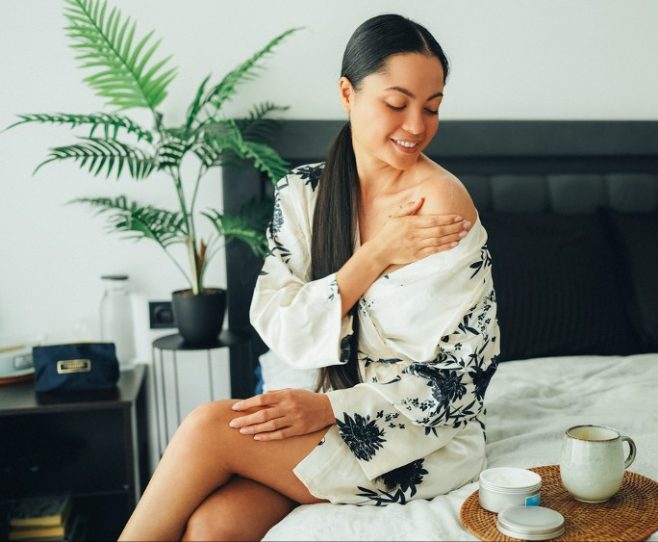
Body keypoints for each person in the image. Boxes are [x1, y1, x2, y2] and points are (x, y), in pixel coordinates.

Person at [119, 13, 500, 541]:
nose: (416, 125)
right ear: (348, 93)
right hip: (315, 413)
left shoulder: (440, 202)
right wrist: (375, 255)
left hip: (415, 438)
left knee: (208, 428)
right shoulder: (301, 193)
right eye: (397, 103)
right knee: (212, 527)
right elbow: (280, 325)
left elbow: (462, 375)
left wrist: (326, 409)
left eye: (431, 108)